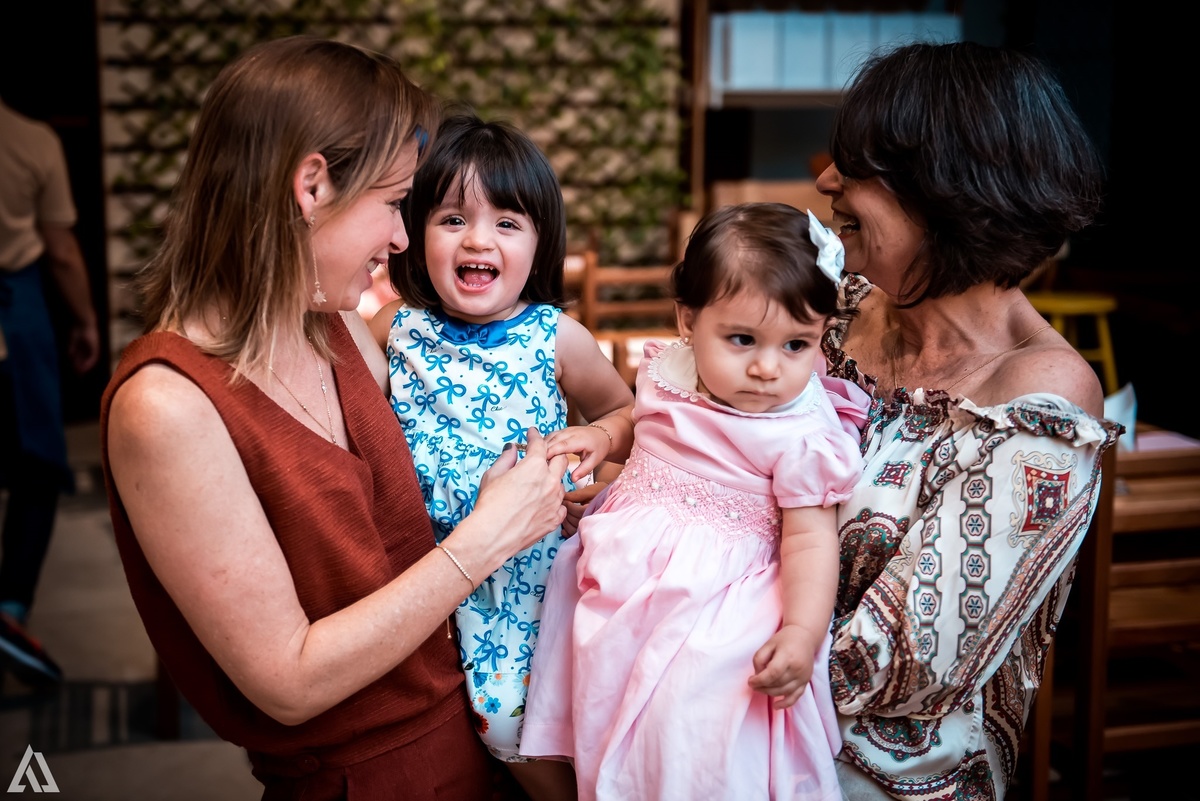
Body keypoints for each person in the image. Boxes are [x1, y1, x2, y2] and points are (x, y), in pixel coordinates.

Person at [100, 36, 572, 800]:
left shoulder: (336, 326)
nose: (399, 238)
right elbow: (287, 679)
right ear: (312, 186)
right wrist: (486, 540)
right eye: (393, 203)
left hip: (482, 746)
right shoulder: (166, 405)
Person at [812, 42, 1121, 799]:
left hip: (872, 770)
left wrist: (678, 638)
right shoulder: (830, 309)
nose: (824, 182)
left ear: (947, 191)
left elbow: (898, 659)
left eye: (855, 170)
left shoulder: (1041, 400)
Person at [519, 203, 871, 801]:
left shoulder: (804, 432)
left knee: (691, 723)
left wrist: (803, 633)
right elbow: (642, 417)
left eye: (796, 344)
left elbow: (812, 538)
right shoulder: (671, 368)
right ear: (689, 319)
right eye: (742, 339)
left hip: (720, 601)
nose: (767, 367)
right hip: (620, 579)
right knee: (604, 703)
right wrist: (603, 435)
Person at [369, 111, 633, 801]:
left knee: (510, 725)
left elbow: (629, 413)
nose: (478, 238)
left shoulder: (555, 337)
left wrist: (598, 444)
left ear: (540, 244)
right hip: (425, 576)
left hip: (527, 579)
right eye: (452, 218)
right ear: (412, 231)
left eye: (507, 223)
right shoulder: (396, 330)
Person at [0, 96, 100, 687]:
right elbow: (60, 250)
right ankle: (11, 609)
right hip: (18, 311)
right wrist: (84, 319)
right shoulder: (31, 140)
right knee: (36, 462)